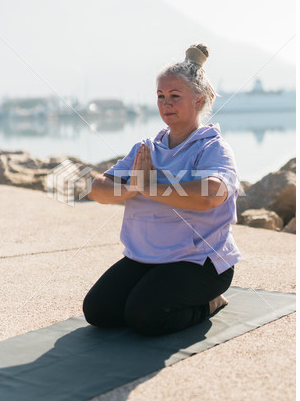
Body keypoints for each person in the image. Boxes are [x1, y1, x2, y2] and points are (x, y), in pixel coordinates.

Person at [83, 43, 242, 336]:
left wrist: (151, 186)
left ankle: (211, 302)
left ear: (200, 100)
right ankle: (151, 293)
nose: (165, 103)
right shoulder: (147, 148)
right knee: (98, 311)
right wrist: (134, 187)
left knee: (145, 317)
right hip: (147, 258)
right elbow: (98, 189)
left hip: (200, 263)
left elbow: (210, 195)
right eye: (160, 96)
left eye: (175, 96)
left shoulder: (213, 147)